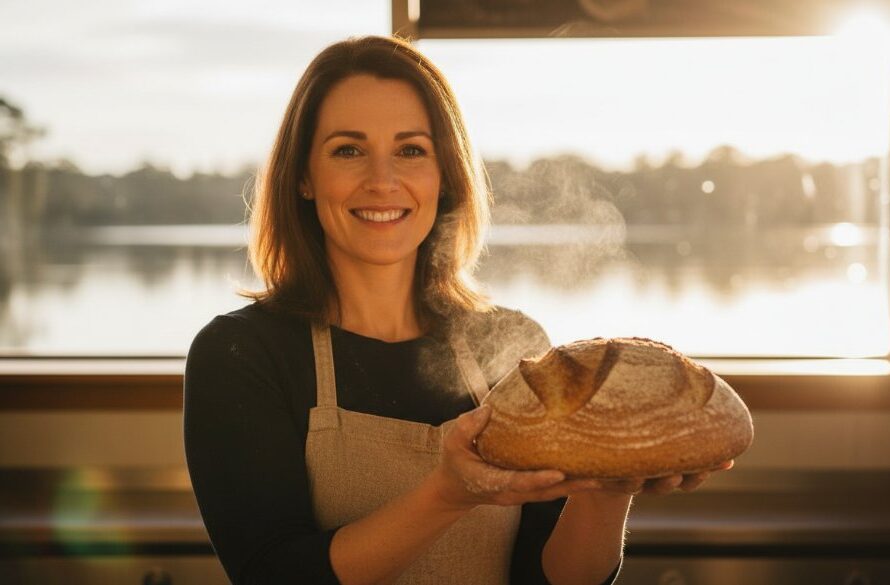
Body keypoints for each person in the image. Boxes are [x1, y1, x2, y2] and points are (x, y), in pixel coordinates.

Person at [183, 35, 731, 585]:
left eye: (411, 150)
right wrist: (447, 495)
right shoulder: (241, 354)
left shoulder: (512, 344)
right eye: (348, 150)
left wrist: (607, 492)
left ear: (445, 174)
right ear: (303, 176)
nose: (382, 180)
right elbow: (273, 576)